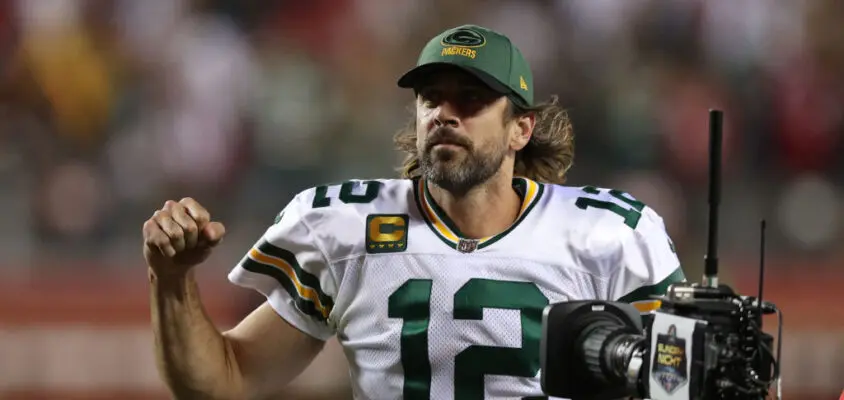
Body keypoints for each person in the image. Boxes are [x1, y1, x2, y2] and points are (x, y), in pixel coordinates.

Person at [143, 24, 685, 399]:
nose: (445, 114)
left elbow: (680, 383)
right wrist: (171, 279)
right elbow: (222, 380)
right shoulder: (343, 225)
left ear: (522, 128)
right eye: (432, 98)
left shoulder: (609, 233)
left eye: (471, 100)